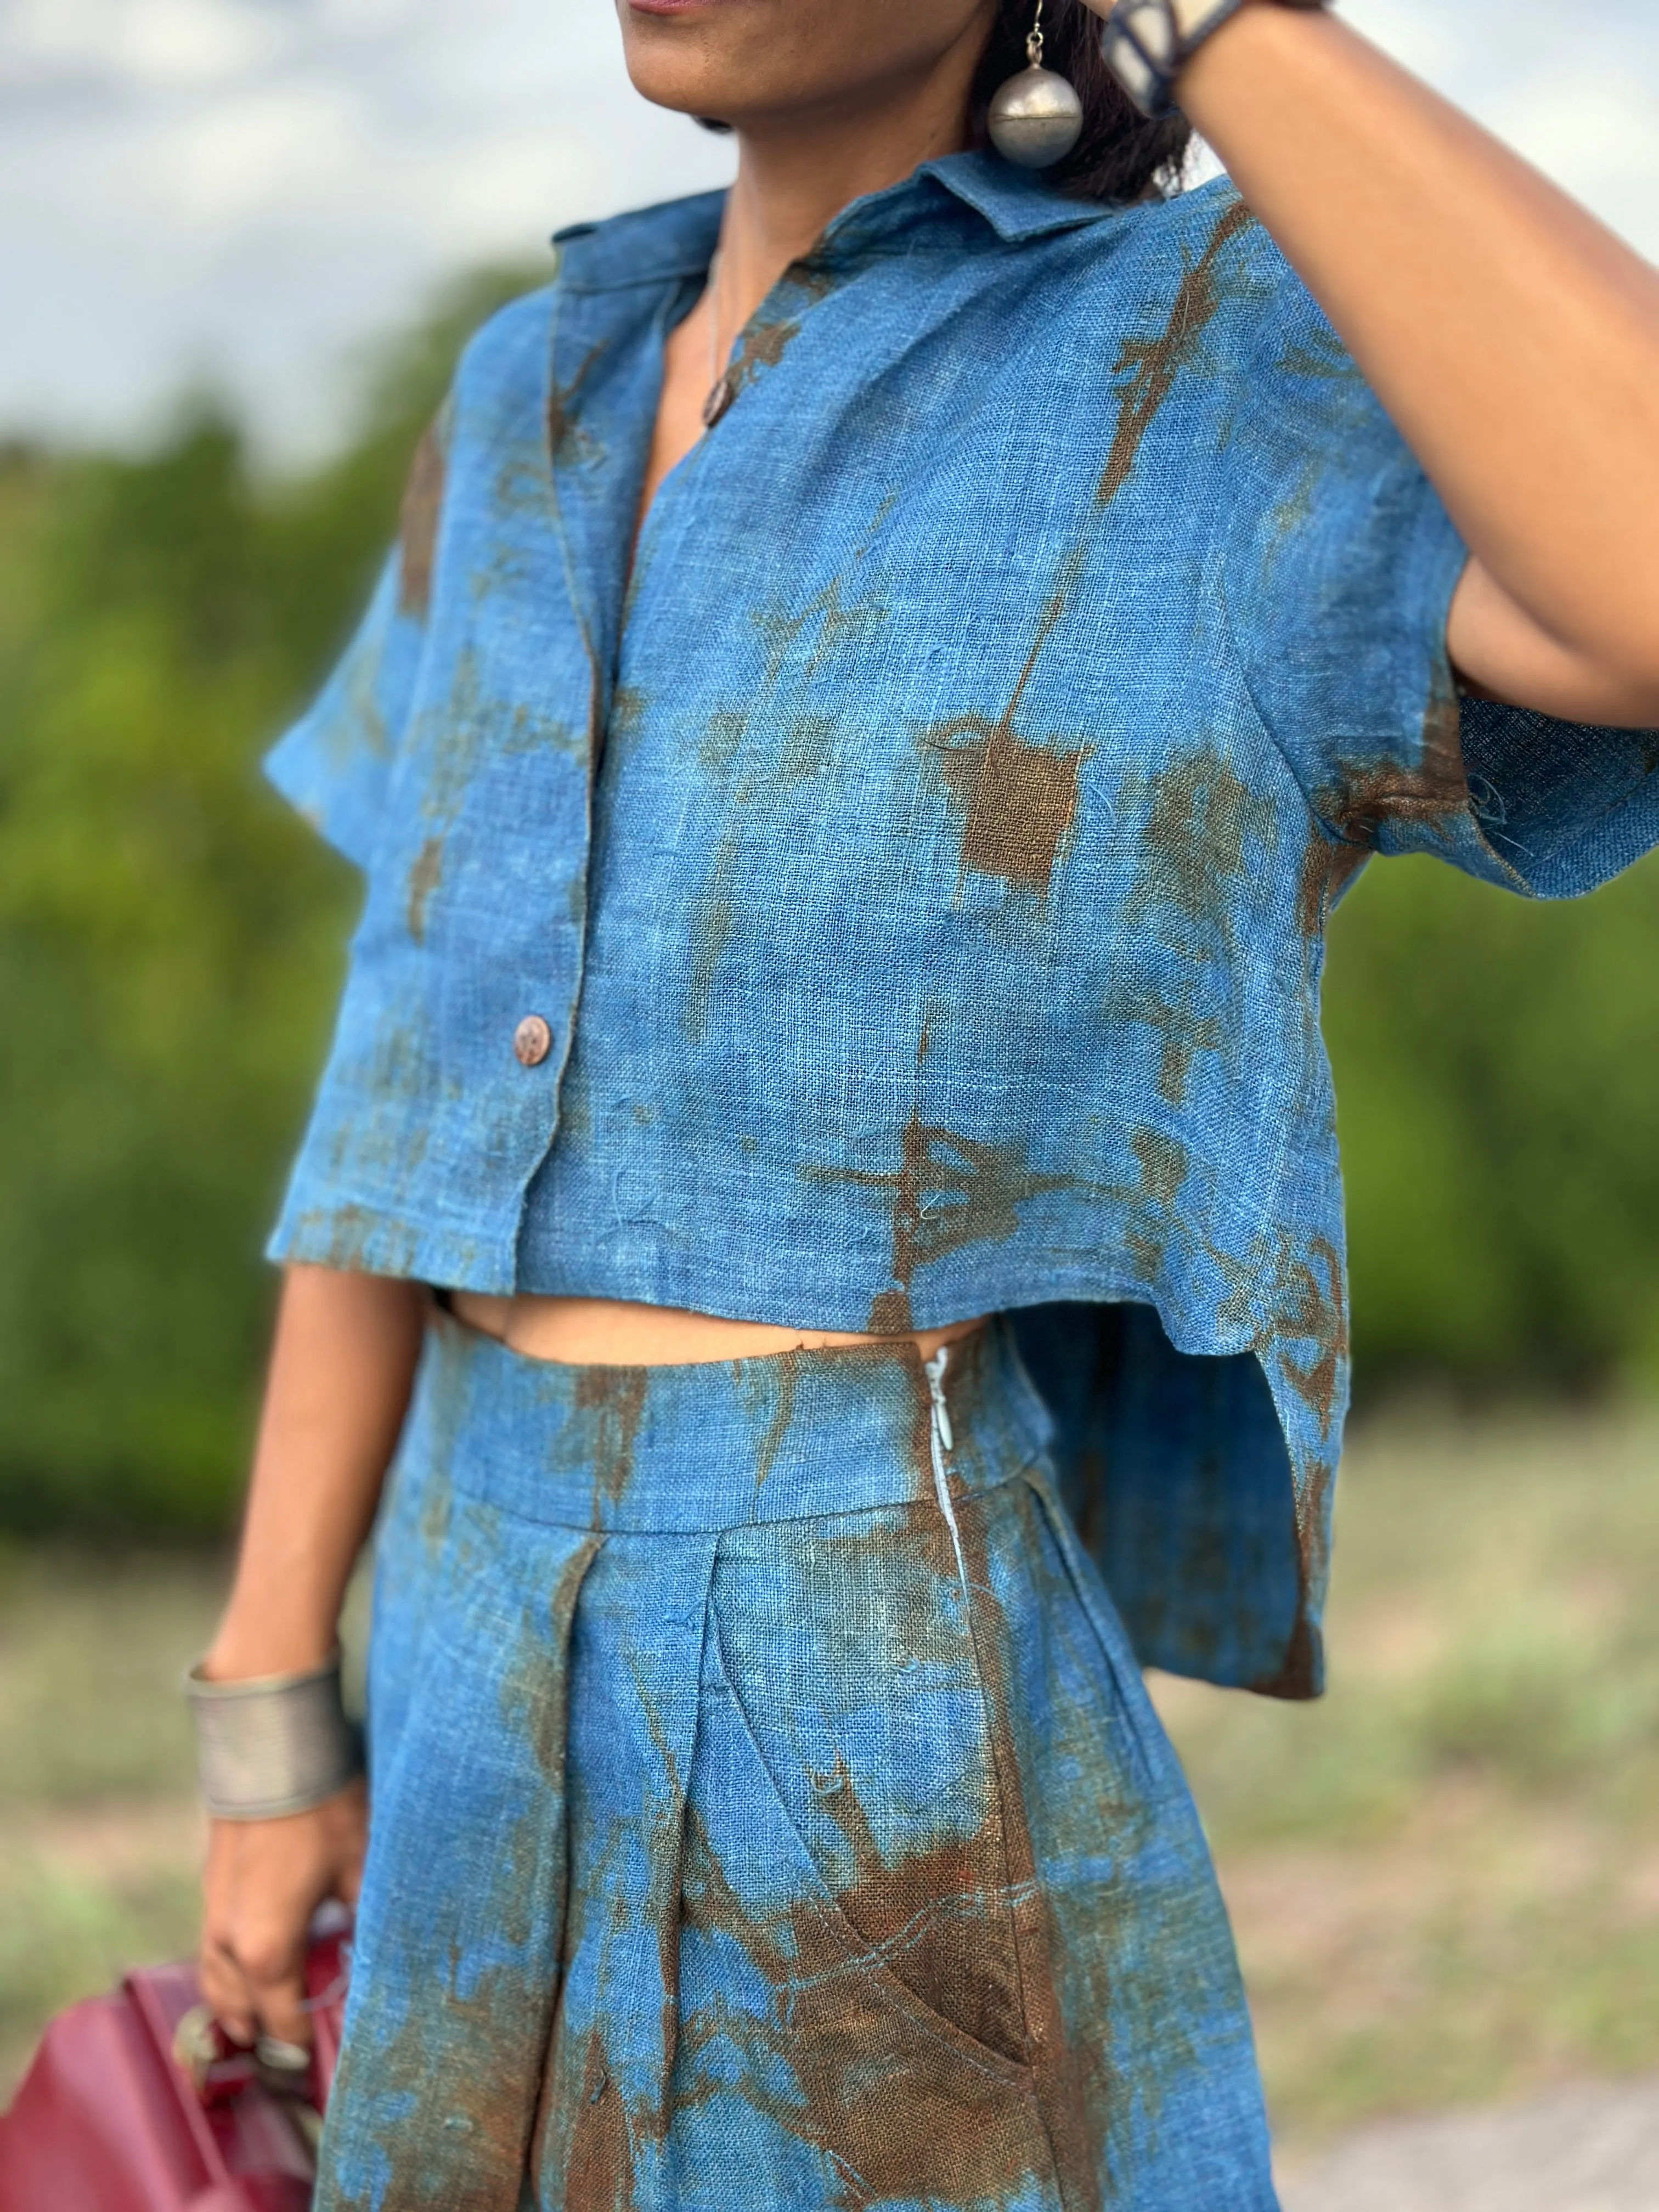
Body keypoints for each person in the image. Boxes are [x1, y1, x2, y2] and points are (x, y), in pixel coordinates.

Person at [188, 0, 1659, 2205]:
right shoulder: (529, 397)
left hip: (873, 1683)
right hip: (462, 1647)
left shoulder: (1199, 368)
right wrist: (270, 1703)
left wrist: (1217, 14)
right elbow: (389, 1099)